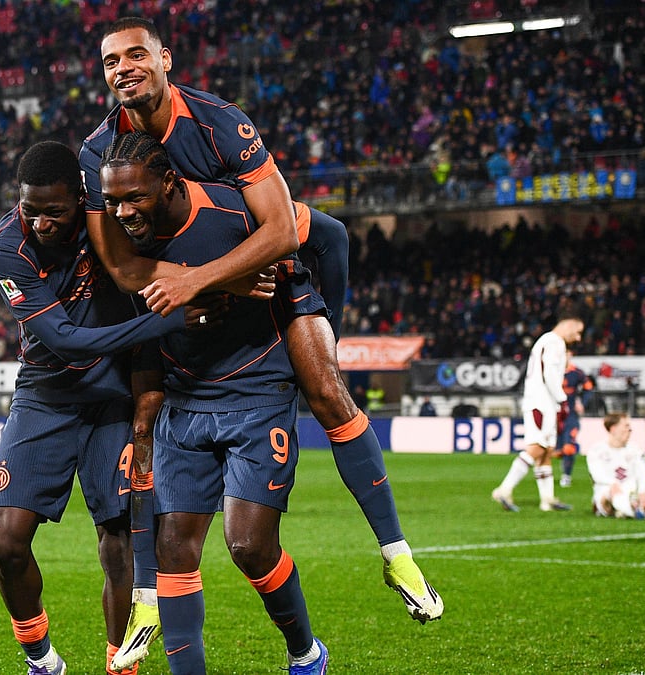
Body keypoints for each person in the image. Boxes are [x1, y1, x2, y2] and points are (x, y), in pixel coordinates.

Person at [80, 21, 440, 664]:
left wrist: (212, 279)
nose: (123, 68)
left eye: (137, 54)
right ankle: (144, 598)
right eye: (111, 61)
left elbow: (284, 231)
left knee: (328, 392)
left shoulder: (220, 123)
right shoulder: (99, 150)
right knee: (145, 424)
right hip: (194, 293)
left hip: (273, 272)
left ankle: (396, 553)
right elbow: (120, 268)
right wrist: (201, 287)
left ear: (165, 59)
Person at [100, 130, 329, 675]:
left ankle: (305, 651)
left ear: (170, 183)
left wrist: (326, 327)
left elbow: (327, 240)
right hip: (185, 405)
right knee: (174, 551)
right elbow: (143, 335)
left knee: (249, 545)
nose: (123, 211)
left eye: (135, 197)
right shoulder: (123, 250)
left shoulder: (235, 217)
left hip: (256, 394)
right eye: (112, 201)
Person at [0, 141, 209, 675]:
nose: (40, 223)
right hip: (46, 394)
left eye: (54, 211)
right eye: (29, 209)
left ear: (78, 199)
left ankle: (119, 665)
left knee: (119, 536)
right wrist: (172, 318)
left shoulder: (106, 221)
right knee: (7, 542)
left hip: (114, 398)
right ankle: (41, 658)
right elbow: (66, 339)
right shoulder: (4, 249)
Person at [492, 313, 585, 512]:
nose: (578, 338)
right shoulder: (555, 342)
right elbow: (549, 373)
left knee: (546, 450)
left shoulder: (546, 340)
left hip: (543, 402)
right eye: (577, 332)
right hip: (542, 403)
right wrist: (562, 399)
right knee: (537, 447)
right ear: (568, 325)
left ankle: (547, 499)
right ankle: (504, 489)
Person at [585, 413, 645, 518]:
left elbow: (642, 473)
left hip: (635, 496)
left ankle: (639, 506)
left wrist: (642, 492)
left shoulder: (635, 449)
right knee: (612, 491)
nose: (630, 430)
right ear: (613, 429)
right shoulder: (596, 450)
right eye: (626, 426)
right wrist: (614, 484)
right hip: (608, 495)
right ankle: (634, 511)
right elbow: (597, 475)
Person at [556, 350, 593, 488]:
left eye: (566, 354)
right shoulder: (551, 371)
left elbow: (589, 388)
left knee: (569, 447)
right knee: (552, 450)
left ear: (570, 355)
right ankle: (544, 477)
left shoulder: (577, 373)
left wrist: (582, 402)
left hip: (570, 416)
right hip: (554, 416)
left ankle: (566, 476)